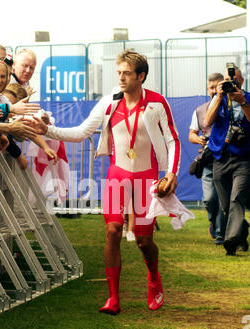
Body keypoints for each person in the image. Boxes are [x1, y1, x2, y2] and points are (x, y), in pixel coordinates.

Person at [24, 50, 180, 314]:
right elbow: (81, 132)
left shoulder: (156, 103)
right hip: (117, 175)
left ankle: (154, 278)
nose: (121, 77)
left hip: (146, 178)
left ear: (141, 76)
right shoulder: (110, 101)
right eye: (118, 72)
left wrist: (171, 173)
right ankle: (113, 298)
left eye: (127, 73)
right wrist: (47, 130)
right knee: (112, 232)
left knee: (144, 241)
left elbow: (172, 140)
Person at [205, 64, 250, 256]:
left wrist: (242, 101)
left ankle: (231, 241)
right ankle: (242, 230)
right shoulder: (219, 98)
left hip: (244, 157)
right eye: (228, 79)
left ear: (241, 80)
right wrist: (220, 96)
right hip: (220, 156)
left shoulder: (247, 97)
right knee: (225, 205)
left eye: (235, 79)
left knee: (237, 198)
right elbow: (207, 121)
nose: (231, 82)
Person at [189, 73, 226, 245]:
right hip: (208, 160)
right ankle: (213, 222)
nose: (214, 90)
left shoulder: (231, 107)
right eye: (211, 87)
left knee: (222, 198)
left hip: (226, 158)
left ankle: (220, 233)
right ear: (208, 88)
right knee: (209, 199)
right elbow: (191, 134)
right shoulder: (200, 110)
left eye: (217, 86)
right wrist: (199, 139)